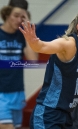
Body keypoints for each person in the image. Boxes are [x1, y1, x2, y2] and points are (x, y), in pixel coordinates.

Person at [0, 0, 38, 129]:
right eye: (16, 15)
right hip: (1, 93)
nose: (18, 20)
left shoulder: (21, 36)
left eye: (23, 17)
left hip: (17, 92)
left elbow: (33, 61)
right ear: (7, 13)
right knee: (7, 127)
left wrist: (28, 32)